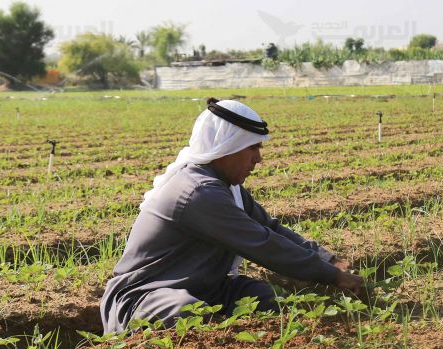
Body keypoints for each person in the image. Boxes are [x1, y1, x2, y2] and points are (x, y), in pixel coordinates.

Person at [100, 98, 364, 334]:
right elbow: (262, 243)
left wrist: (328, 260)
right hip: (144, 297)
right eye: (252, 149)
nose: (258, 159)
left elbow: (271, 228)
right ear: (227, 148)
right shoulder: (198, 192)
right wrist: (331, 276)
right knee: (188, 312)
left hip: (208, 289)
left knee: (268, 299)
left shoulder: (228, 188)